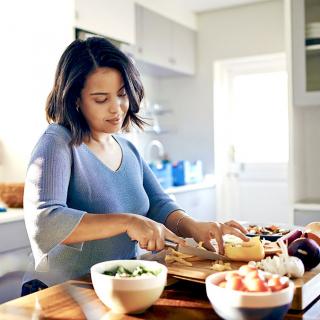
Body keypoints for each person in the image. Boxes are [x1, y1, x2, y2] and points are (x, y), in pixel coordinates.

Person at [22, 36, 248, 292]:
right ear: (75, 99)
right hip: (61, 291)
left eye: (121, 95)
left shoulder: (127, 148)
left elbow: (159, 205)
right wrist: (128, 221)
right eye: (100, 99)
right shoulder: (57, 143)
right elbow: (45, 221)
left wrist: (194, 227)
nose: (117, 108)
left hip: (116, 287)